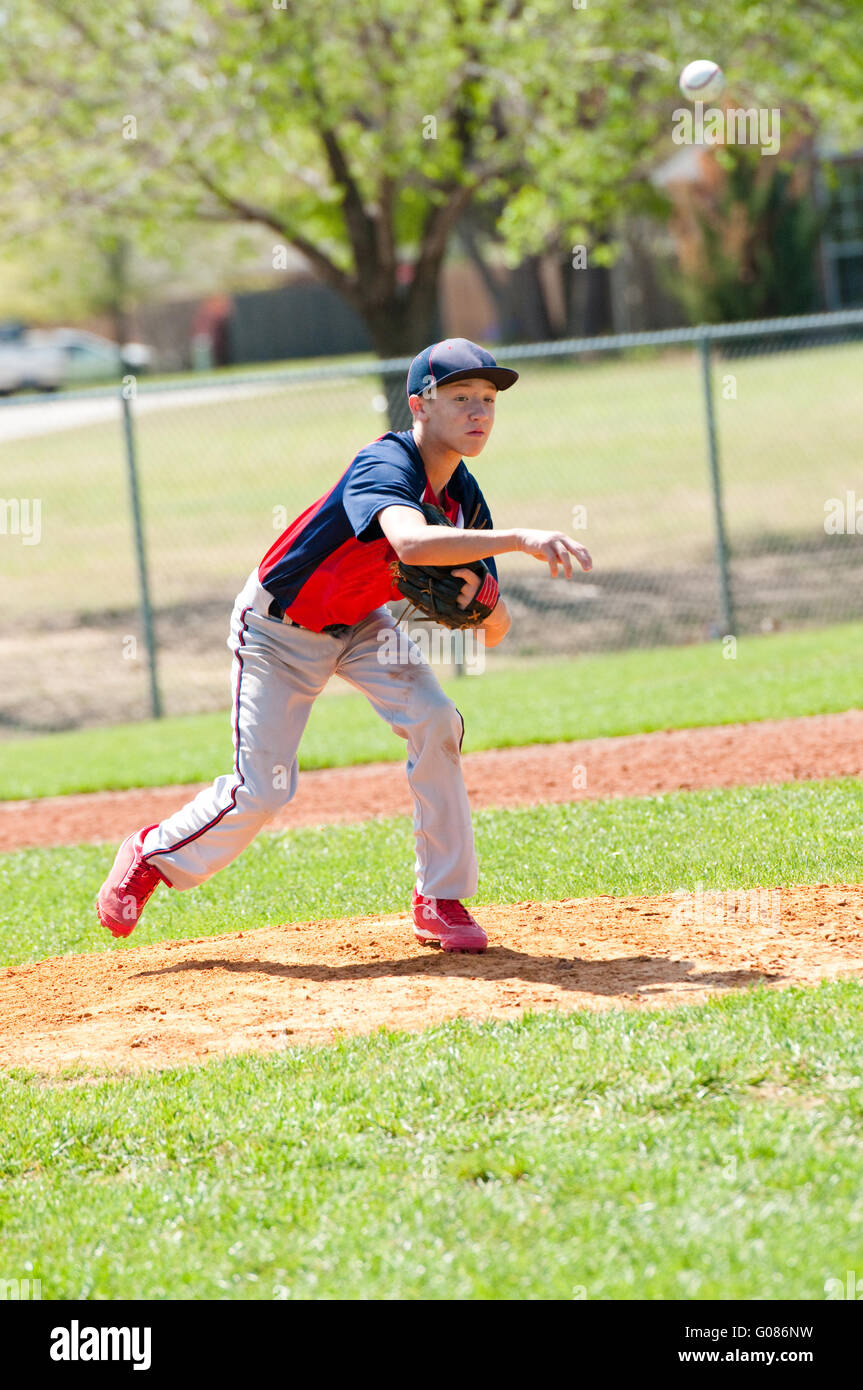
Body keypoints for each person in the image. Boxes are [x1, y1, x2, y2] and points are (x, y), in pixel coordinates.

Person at [96, 338, 592, 953]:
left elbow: (496, 628)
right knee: (266, 788)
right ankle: (151, 854)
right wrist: (520, 538)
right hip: (279, 628)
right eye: (461, 396)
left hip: (361, 624)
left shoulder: (463, 497)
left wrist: (488, 609)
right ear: (419, 405)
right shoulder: (384, 464)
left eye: (488, 399)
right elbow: (409, 544)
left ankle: (439, 898)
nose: (479, 412)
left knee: (438, 720)